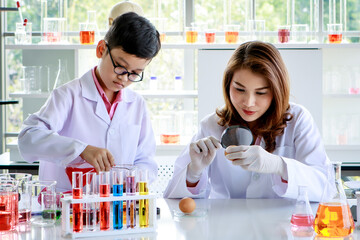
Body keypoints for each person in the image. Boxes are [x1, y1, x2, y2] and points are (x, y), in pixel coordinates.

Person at [163, 41, 333, 201]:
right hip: (227, 227)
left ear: (277, 91)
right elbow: (171, 197)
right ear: (228, 85)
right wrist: (194, 172)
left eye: (261, 92)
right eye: (239, 89)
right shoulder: (211, 126)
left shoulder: (298, 120)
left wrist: (279, 166)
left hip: (282, 228)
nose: (248, 102)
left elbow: (326, 189)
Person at [18, 12, 161, 192]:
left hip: (114, 208)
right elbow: (27, 139)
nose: (125, 78)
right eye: (120, 67)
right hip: (65, 208)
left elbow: (146, 160)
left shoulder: (137, 104)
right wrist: (81, 150)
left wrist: (133, 179)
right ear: (101, 49)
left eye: (135, 73)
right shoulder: (68, 95)